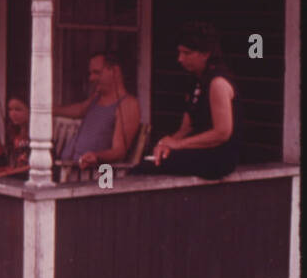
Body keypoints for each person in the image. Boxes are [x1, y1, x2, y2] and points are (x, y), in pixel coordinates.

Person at [133, 22, 240, 179]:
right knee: (149, 162)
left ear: (205, 54)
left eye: (187, 53)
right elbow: (186, 127)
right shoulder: (195, 81)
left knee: (143, 169)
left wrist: (179, 145)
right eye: (179, 53)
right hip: (198, 151)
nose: (180, 59)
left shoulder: (218, 83)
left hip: (218, 157)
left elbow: (222, 133)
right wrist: (166, 144)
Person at [54, 52, 141, 169]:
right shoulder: (97, 97)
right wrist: (46, 110)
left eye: (97, 73)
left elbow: (119, 150)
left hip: (89, 174)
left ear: (115, 72)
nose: (91, 78)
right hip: (66, 168)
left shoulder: (128, 104)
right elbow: (80, 110)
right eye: (91, 73)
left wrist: (96, 156)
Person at [0, 94, 31, 179]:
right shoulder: (14, 132)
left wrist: (9, 173)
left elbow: (34, 166)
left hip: (27, 175)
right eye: (10, 109)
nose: (12, 113)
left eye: (18, 110)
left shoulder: (36, 135)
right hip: (13, 172)